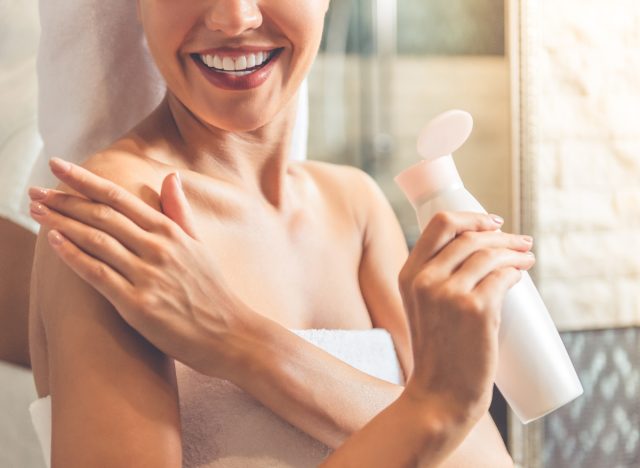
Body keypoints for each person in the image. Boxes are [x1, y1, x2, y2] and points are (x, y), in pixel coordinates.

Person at [27, 1, 532, 466]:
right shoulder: (120, 219)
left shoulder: (354, 206)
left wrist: (240, 340)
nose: (234, 17)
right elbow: (441, 424)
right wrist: (433, 408)